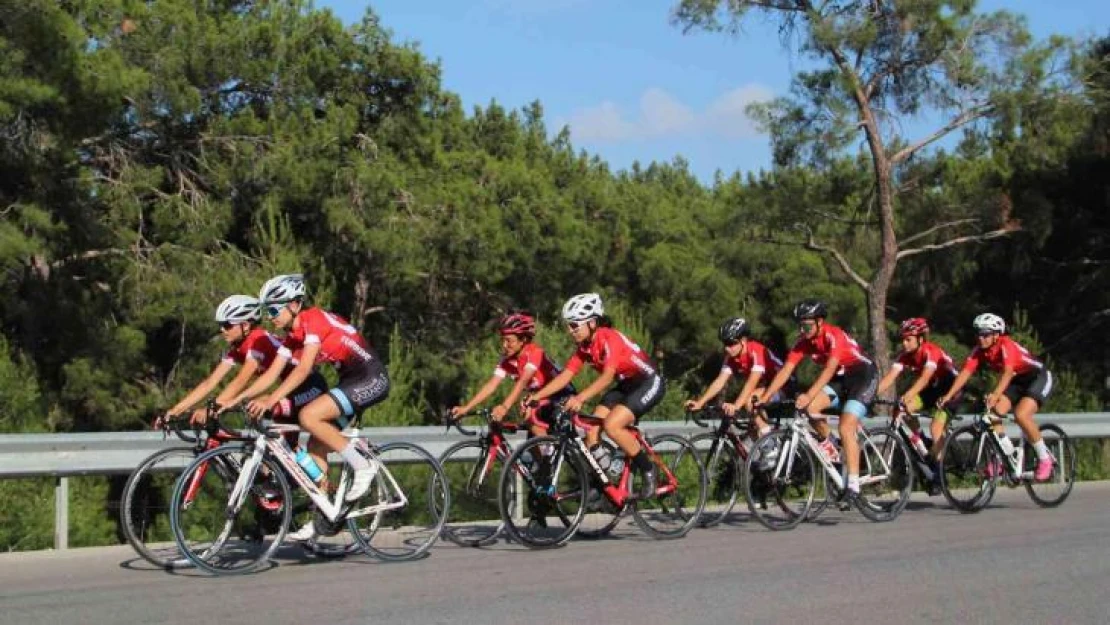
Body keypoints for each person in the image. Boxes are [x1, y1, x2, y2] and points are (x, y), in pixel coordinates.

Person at [230, 274, 390, 541]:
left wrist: (270, 400)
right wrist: (236, 400)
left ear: (294, 304)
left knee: (308, 415)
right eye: (266, 311)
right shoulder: (292, 336)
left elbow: (304, 369)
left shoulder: (313, 319)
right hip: (350, 382)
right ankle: (325, 516)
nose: (269, 317)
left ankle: (362, 467)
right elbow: (271, 375)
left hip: (371, 378)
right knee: (315, 445)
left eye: (273, 309)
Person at [528, 293, 665, 499]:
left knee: (611, 426)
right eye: (569, 326)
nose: (570, 330)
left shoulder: (608, 337)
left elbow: (607, 377)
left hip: (648, 382)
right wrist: (536, 396)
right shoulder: (585, 347)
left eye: (574, 325)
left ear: (592, 322)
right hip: (627, 384)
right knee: (591, 432)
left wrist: (580, 398)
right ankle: (608, 485)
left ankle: (648, 469)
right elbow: (565, 376)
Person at [757, 299, 879, 503]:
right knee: (810, 408)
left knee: (846, 426)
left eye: (807, 325)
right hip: (841, 379)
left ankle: (854, 487)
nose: (802, 329)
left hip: (862, 375)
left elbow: (830, 368)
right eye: (800, 325)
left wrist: (809, 394)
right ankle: (830, 444)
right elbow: (786, 371)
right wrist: (765, 396)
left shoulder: (834, 335)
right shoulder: (802, 342)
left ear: (820, 322)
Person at [161, 295, 326, 427]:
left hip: (310, 386)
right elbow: (210, 382)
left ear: (246, 325)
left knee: (261, 409)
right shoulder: (237, 348)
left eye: (227, 325)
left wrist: (214, 409)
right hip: (290, 390)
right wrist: (176, 410)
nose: (222, 330)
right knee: (268, 454)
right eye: (221, 325)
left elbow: (240, 381)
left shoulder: (257, 340)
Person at [937, 313, 1056, 481]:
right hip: (1016, 380)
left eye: (985, 335)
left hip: (1038, 377)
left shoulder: (1006, 345)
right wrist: (948, 395)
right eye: (978, 334)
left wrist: (995, 394)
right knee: (992, 415)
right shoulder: (979, 351)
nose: (981, 338)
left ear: (996, 335)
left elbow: (1007, 373)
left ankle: (1045, 459)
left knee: (1021, 414)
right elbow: (965, 373)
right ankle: (1004, 457)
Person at [450, 312, 573, 438]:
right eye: (502, 340)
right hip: (539, 397)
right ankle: (545, 455)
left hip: (561, 393)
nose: (504, 345)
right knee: (530, 443)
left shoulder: (535, 352)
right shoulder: (507, 360)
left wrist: (504, 407)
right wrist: (466, 408)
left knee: (531, 420)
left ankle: (549, 453)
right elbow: (491, 385)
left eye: (509, 341)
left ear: (523, 340)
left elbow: (523, 381)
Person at [876, 317, 959, 492]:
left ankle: (939, 473)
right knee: (901, 410)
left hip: (950, 388)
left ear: (920, 339)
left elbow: (925, 378)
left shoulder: (931, 351)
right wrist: (870, 395)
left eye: (908, 340)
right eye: (903, 340)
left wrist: (908, 394)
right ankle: (920, 438)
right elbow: (890, 377)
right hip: (932, 389)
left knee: (936, 428)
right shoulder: (904, 356)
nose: (904, 344)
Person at [684, 317, 785, 442]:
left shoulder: (756, 351)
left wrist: (736, 406)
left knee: (749, 402)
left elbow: (752, 382)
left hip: (782, 385)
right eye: (725, 344)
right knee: (752, 430)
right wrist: (700, 402)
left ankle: (771, 446)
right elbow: (720, 381)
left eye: (731, 343)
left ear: (743, 340)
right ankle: (763, 454)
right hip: (765, 387)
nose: (727, 348)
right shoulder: (731, 358)